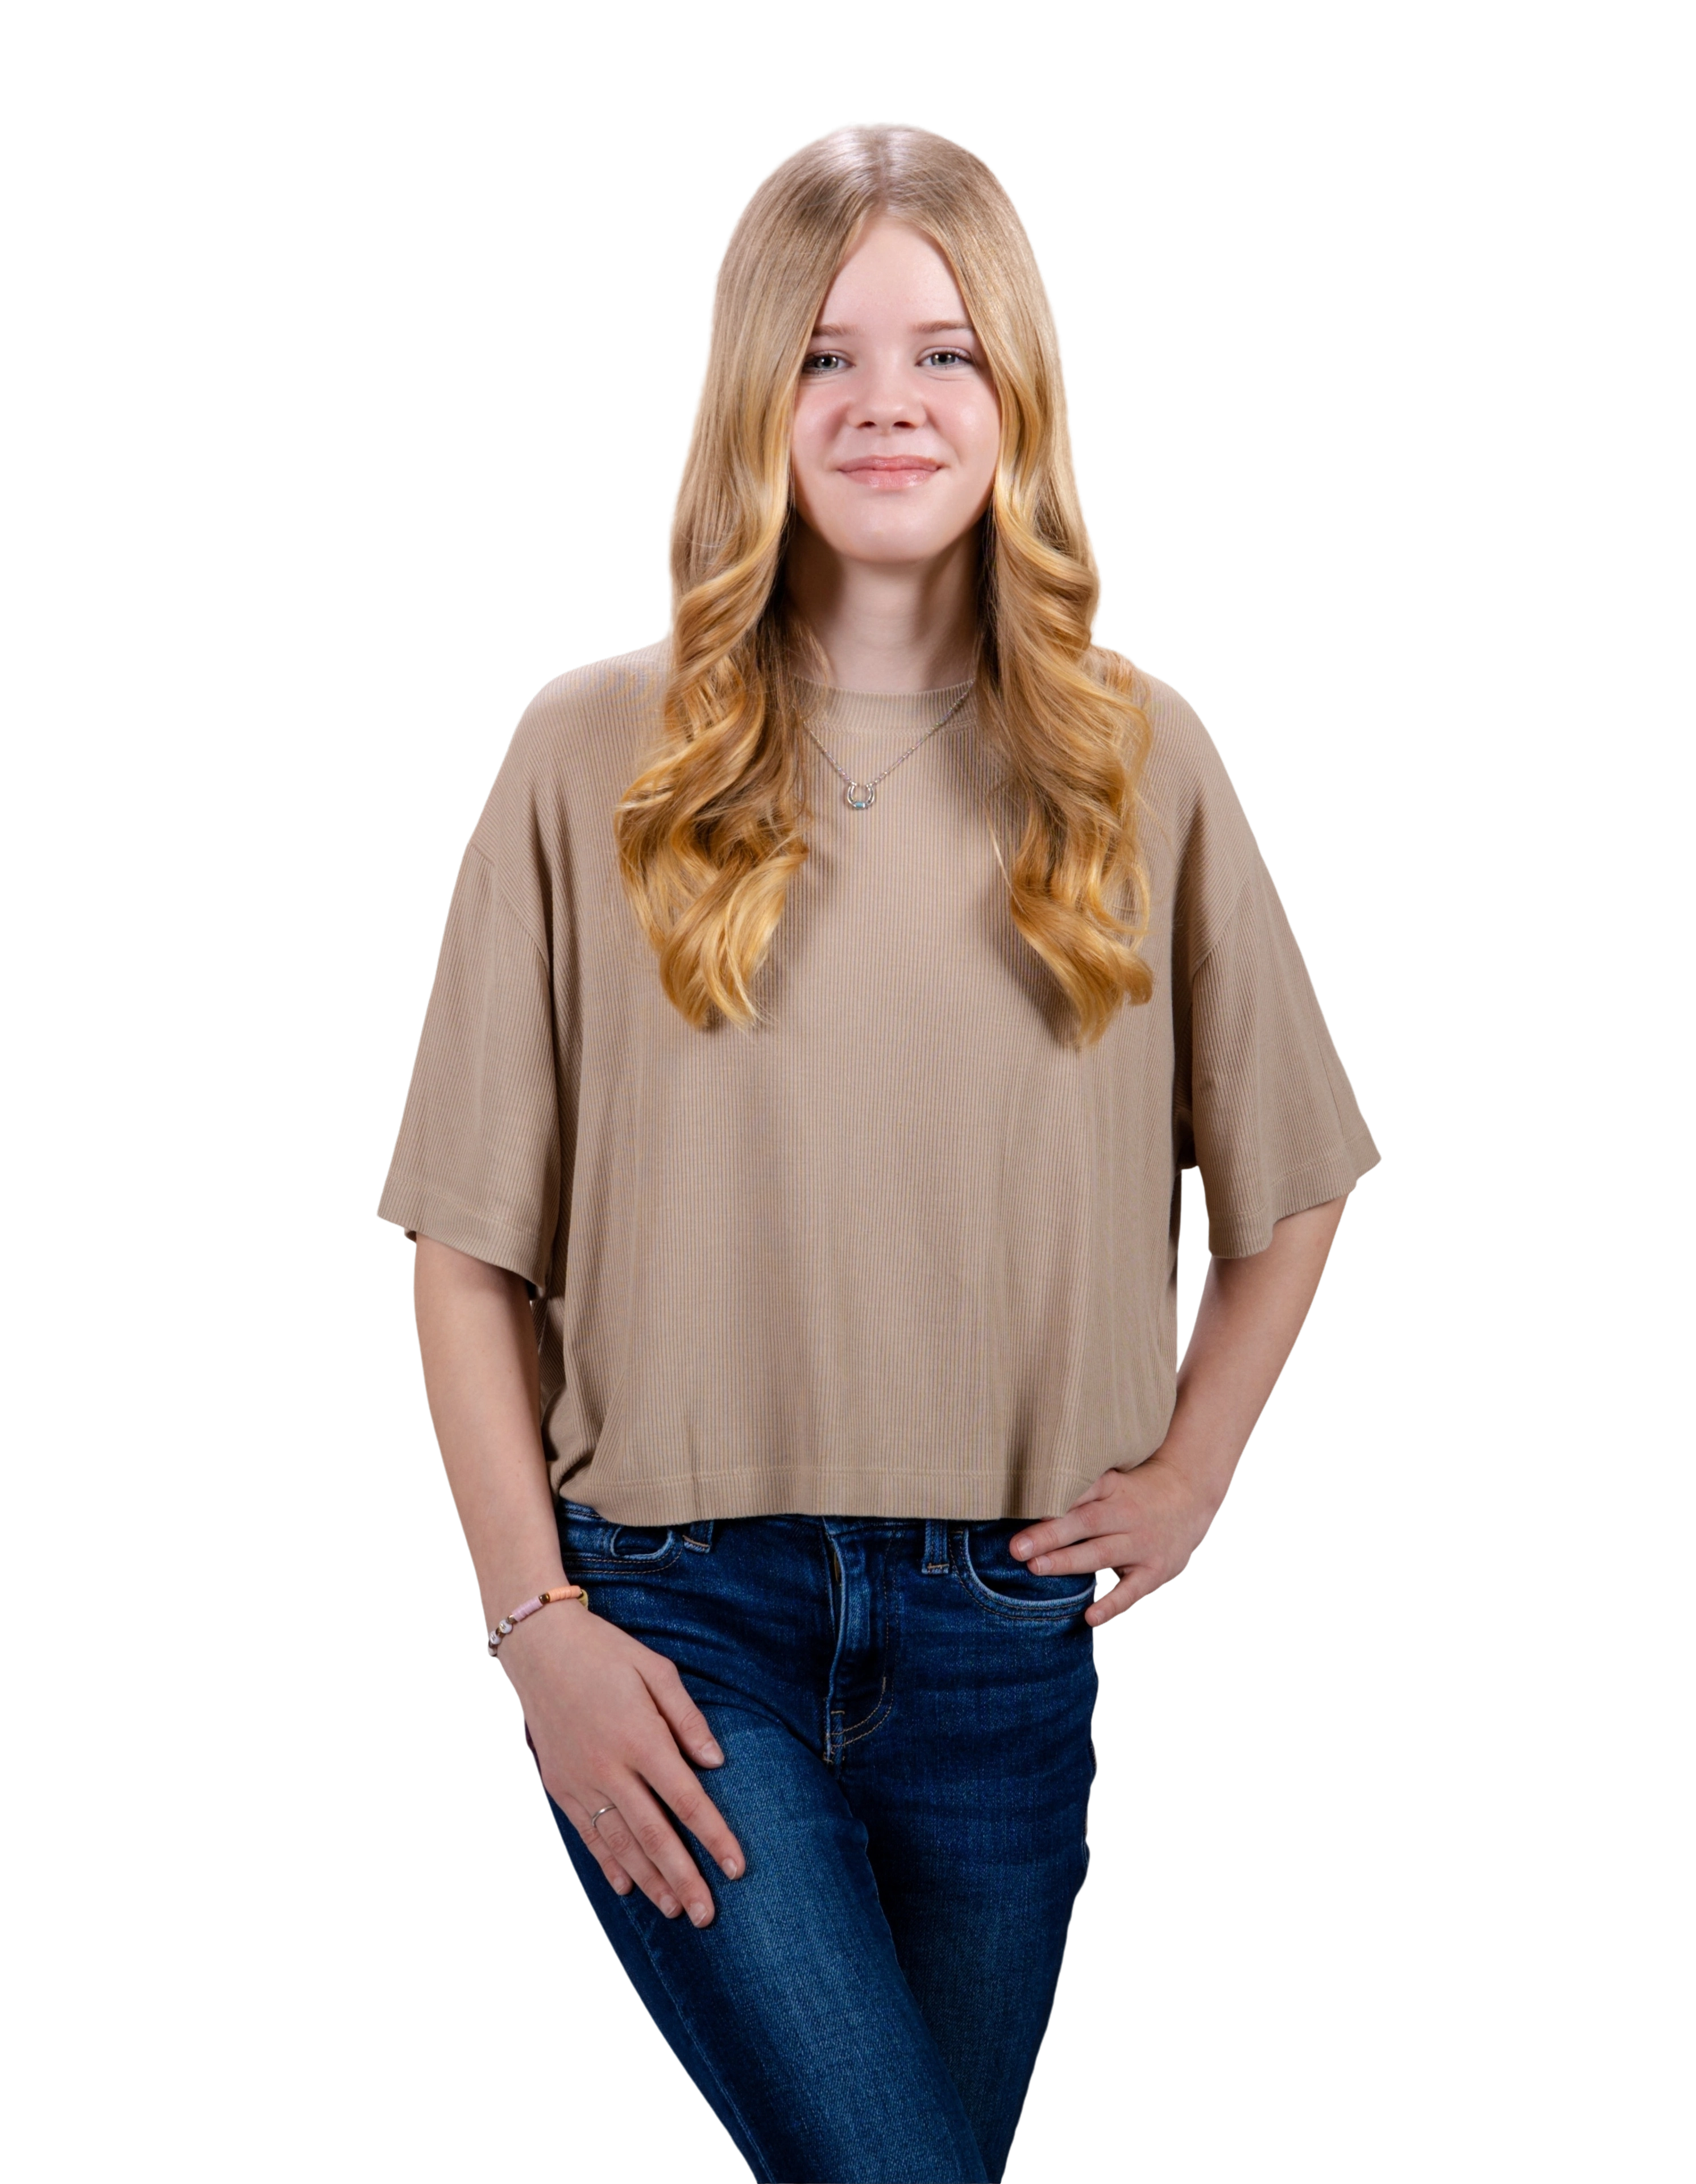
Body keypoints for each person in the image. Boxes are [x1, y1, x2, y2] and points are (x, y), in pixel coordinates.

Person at [374, 117, 1383, 2184]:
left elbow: (1292, 1180)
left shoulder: (1142, 761)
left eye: (943, 352)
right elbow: (465, 1247)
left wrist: (1196, 1465)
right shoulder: (588, 755)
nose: (886, 403)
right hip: (684, 1634)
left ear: (1019, 394)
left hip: (1007, 1649)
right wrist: (534, 1626)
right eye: (826, 355)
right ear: (753, 396)